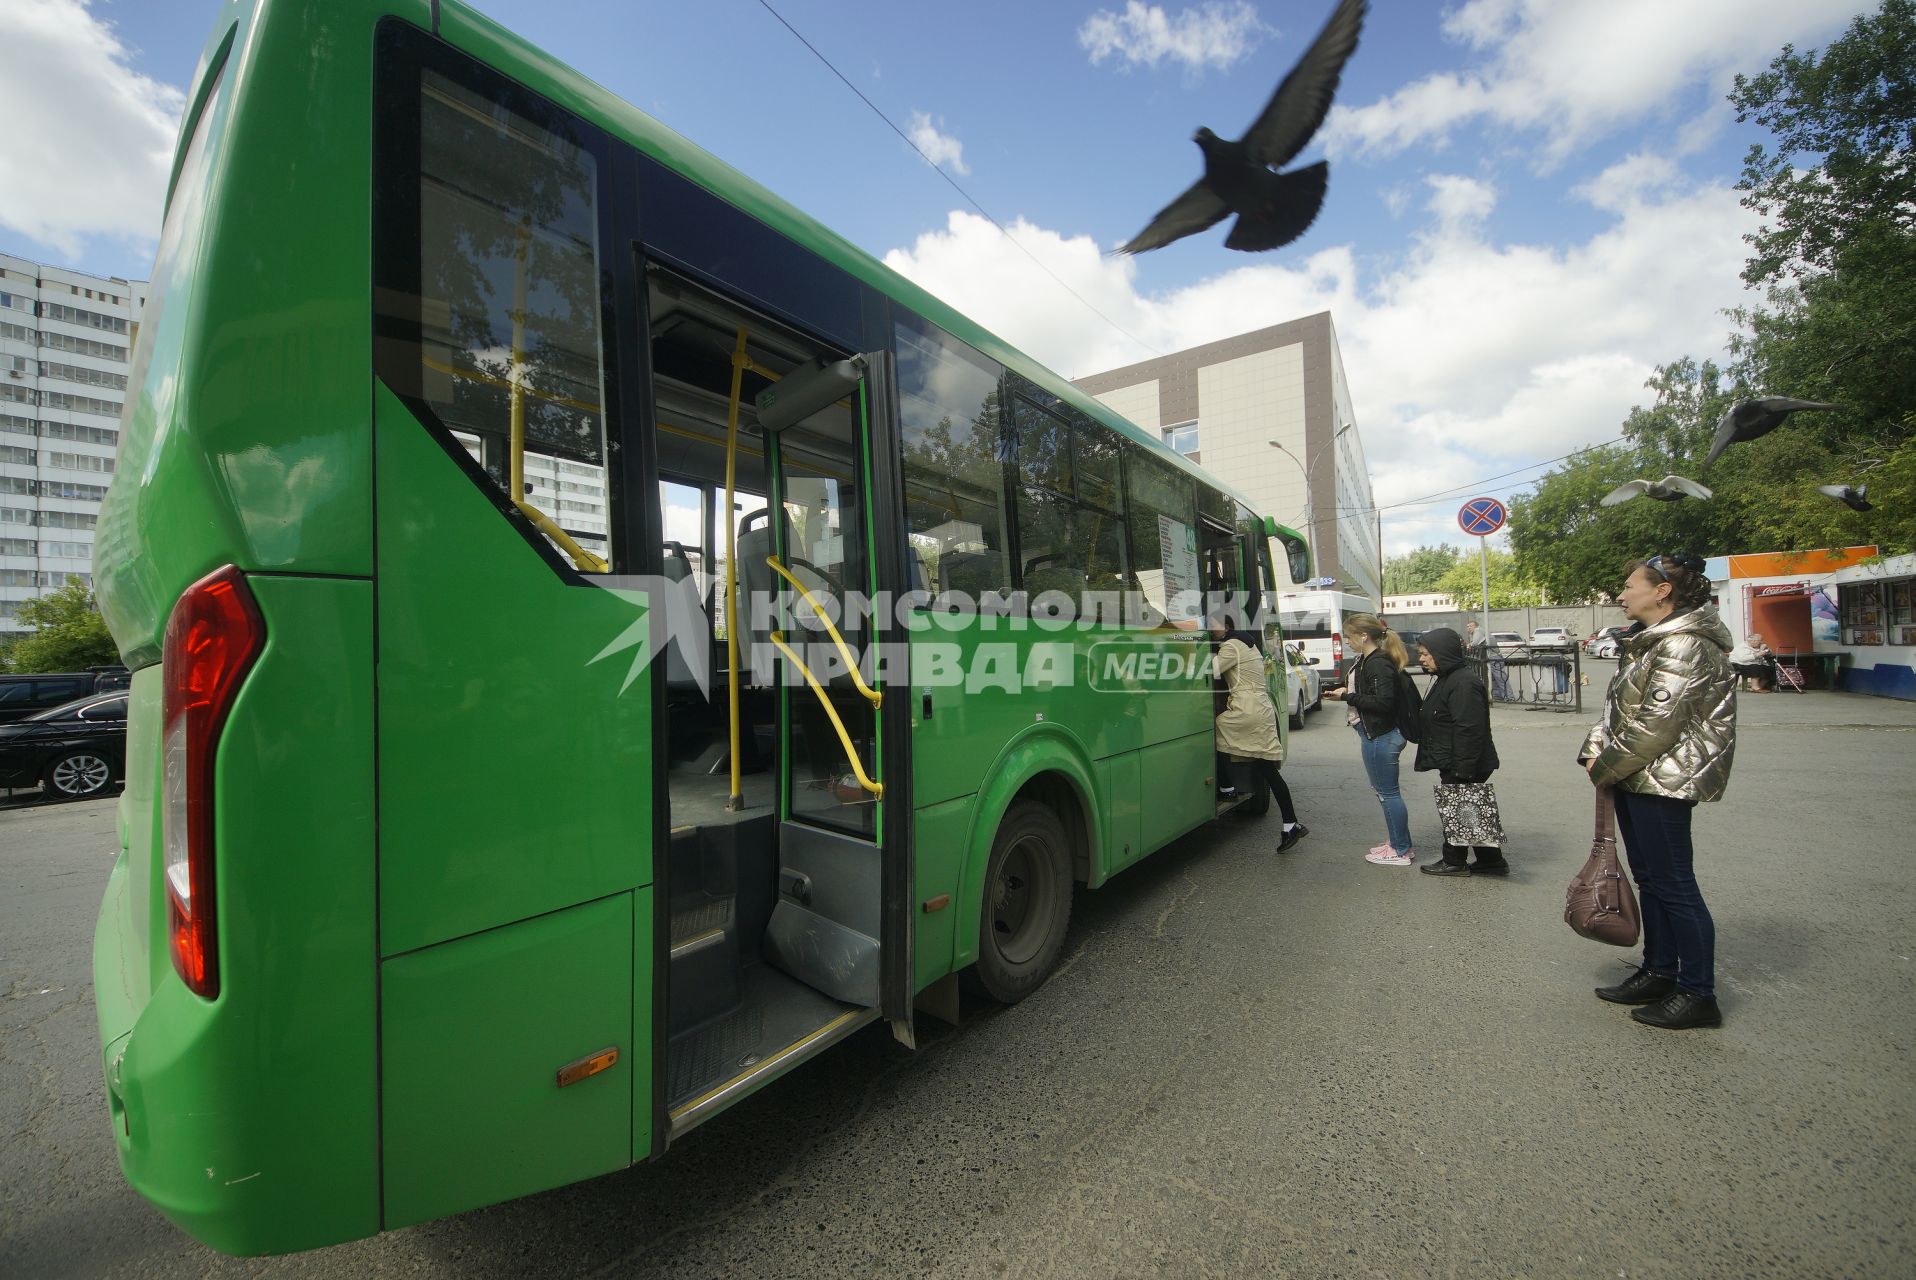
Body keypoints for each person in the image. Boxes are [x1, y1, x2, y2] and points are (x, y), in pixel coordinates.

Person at [1578, 552, 1737, 1031]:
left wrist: (1602, 766)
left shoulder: (1685, 644)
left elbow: (1657, 725)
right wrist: (1594, 749)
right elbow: (1616, 712)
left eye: (1630, 586)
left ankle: (1697, 993)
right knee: (1651, 878)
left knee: (1675, 885)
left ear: (1662, 591)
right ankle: (1660, 970)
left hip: (1664, 779)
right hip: (1638, 774)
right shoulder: (1651, 643)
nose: (1621, 595)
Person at [1411, 628, 1507, 876]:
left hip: (1465, 760)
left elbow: (1469, 729)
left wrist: (1463, 769)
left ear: (1442, 654)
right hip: (1458, 758)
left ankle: (1453, 861)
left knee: (1456, 808)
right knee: (1470, 809)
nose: (1421, 659)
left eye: (1425, 654)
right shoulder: (1448, 677)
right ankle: (1491, 861)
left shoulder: (1463, 683)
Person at [1209, 614, 1307, 852]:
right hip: (1260, 708)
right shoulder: (1247, 641)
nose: (1210, 630)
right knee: (1267, 769)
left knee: (1216, 731)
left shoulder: (1231, 646)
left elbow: (1212, 670)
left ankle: (1227, 788)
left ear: (1227, 626)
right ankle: (1291, 824)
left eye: (1214, 625)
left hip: (1247, 708)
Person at [1323, 613, 1416, 865]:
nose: (1347, 641)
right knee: (1386, 793)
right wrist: (1346, 692)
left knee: (1388, 794)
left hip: (1380, 735)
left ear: (1364, 636)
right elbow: (1372, 694)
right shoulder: (1370, 660)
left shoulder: (1377, 662)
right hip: (1376, 733)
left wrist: (1346, 697)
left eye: (1350, 636)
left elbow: (1384, 702)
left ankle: (1400, 850)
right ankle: (1399, 843)